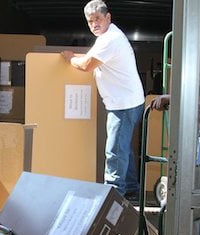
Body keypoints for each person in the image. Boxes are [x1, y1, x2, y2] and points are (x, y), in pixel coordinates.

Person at [61, 0, 145, 201]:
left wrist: (70, 58)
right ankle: (132, 188)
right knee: (123, 147)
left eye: (98, 19)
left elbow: (87, 65)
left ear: (108, 17)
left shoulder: (110, 39)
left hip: (123, 104)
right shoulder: (107, 37)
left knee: (114, 151)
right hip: (128, 101)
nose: (94, 24)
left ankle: (113, 195)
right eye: (90, 21)